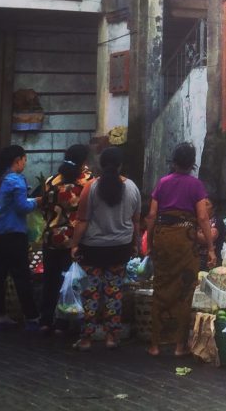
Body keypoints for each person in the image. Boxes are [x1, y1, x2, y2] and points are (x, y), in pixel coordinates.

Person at [144, 142, 214, 357]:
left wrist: (150, 241)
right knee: (185, 290)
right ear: (192, 163)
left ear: (173, 161)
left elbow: (152, 215)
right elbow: (202, 217)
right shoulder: (196, 186)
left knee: (161, 286)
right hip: (185, 239)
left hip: (163, 237)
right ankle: (179, 346)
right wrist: (211, 247)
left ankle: (155, 345)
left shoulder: (163, 183)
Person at [70, 146, 141, 351]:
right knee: (114, 292)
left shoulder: (91, 187)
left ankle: (86, 339)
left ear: (101, 164)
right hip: (120, 248)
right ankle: (111, 337)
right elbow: (136, 221)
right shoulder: (132, 188)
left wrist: (74, 244)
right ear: (120, 165)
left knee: (90, 293)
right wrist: (135, 244)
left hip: (92, 249)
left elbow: (82, 220)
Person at [0, 145, 42, 331]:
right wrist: (37, 202)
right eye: (24, 160)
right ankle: (31, 317)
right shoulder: (16, 180)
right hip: (14, 234)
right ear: (17, 160)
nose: (25, 164)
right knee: (21, 275)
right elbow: (22, 207)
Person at [39, 143, 93, 332]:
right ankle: (64, 322)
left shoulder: (51, 181)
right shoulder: (88, 181)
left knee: (50, 281)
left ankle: (46, 321)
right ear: (84, 161)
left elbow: (44, 208)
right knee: (71, 281)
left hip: (51, 237)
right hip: (75, 240)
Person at [195, 199, 220, 270]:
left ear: (214, 208)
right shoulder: (196, 219)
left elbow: (208, 238)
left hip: (208, 260)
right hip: (194, 257)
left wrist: (192, 233)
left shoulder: (217, 221)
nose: (203, 207)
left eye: (206, 204)